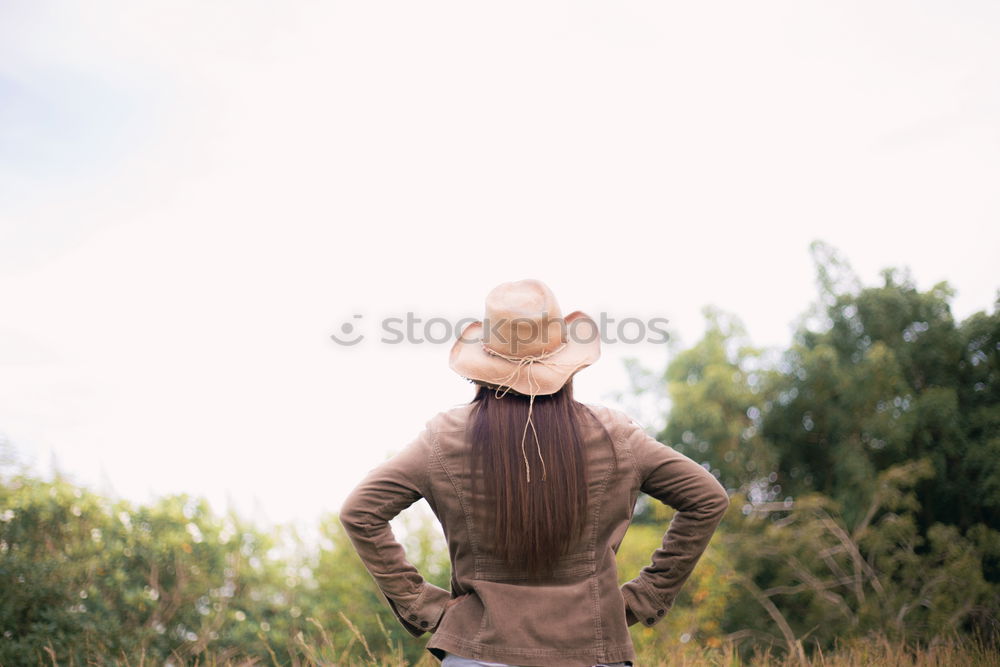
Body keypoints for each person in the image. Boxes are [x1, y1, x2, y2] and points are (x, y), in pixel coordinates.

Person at [339, 279, 731, 667]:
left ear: (485, 365)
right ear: (565, 361)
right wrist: (643, 597)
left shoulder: (444, 438)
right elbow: (707, 498)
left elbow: (360, 511)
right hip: (592, 651)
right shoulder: (615, 436)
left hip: (477, 652)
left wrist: (428, 608)